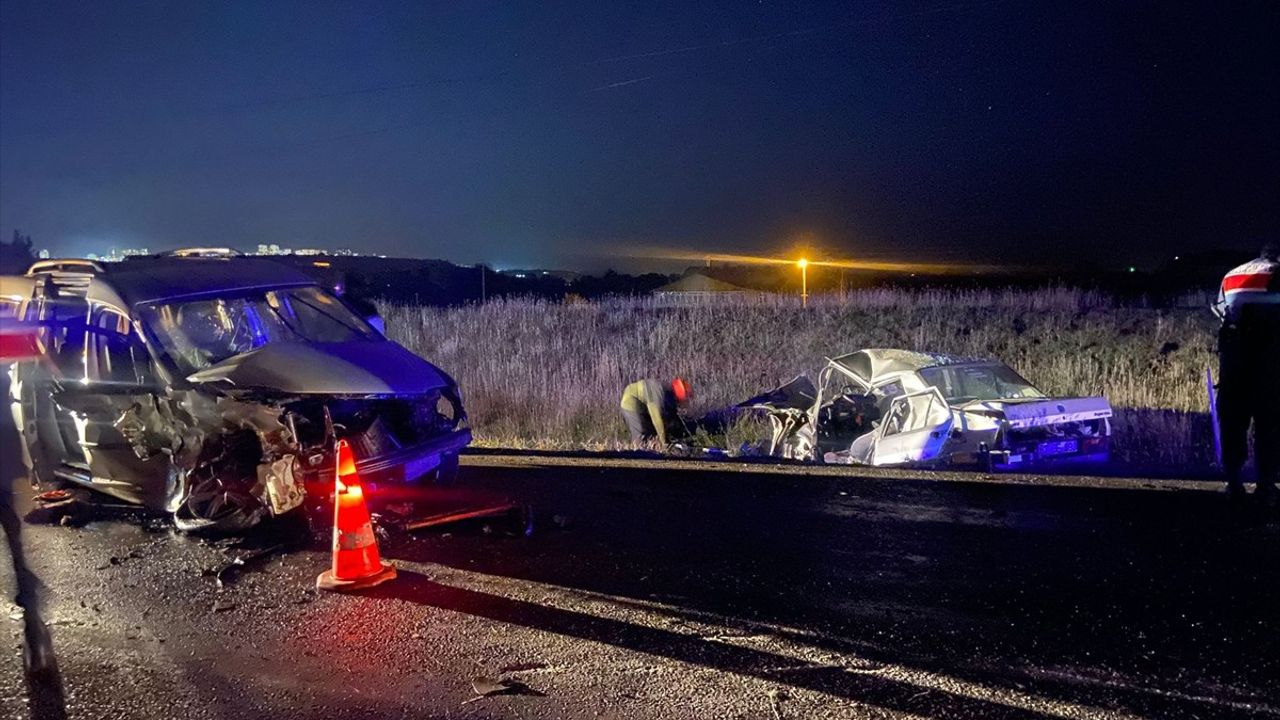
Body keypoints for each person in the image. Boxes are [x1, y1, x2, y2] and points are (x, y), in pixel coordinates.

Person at [1213, 242, 1280, 500]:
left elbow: (1223, 313)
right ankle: (1266, 484)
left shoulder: (1232, 275)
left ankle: (1233, 482)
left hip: (1234, 364)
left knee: (1233, 422)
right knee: (1270, 425)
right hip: (1269, 364)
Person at [620, 377, 690, 448]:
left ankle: (649, 452)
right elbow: (656, 419)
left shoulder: (662, 390)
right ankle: (636, 455)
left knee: (650, 433)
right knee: (639, 436)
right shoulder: (658, 394)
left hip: (640, 405)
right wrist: (664, 443)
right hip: (630, 403)